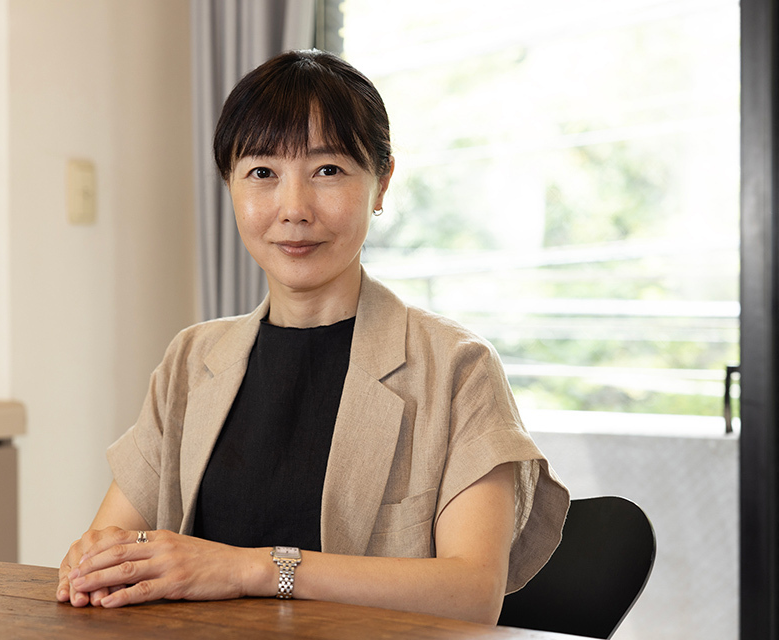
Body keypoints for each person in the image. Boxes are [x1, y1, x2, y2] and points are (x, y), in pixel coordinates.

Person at [56, 49, 569, 625]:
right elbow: (109, 544)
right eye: (262, 174)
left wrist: (249, 568)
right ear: (230, 186)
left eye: (328, 171)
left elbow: (473, 590)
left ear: (381, 182)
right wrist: (92, 560)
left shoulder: (456, 368)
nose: (294, 208)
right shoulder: (192, 359)